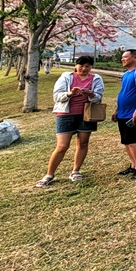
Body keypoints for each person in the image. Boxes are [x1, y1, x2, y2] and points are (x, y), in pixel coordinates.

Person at [36, 55, 105, 187]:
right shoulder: (66, 77)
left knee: (83, 143)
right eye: (81, 65)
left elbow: (98, 98)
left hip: (86, 115)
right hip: (65, 114)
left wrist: (91, 95)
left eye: (87, 66)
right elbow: (56, 96)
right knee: (62, 146)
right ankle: (49, 174)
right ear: (76, 65)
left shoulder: (96, 79)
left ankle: (75, 171)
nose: (84, 69)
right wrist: (70, 94)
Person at [113, 49, 136, 179]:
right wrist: (117, 110)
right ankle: (133, 165)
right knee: (126, 141)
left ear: (134, 58)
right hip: (123, 112)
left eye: (125, 57)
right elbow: (124, 92)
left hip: (133, 113)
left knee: (132, 140)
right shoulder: (126, 74)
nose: (122, 59)